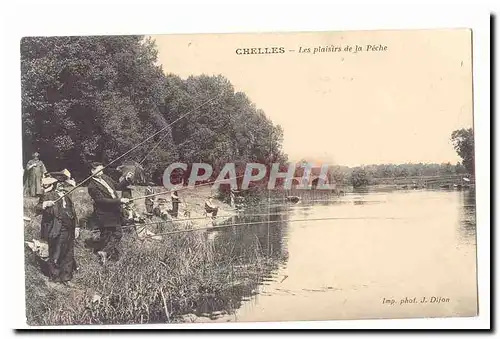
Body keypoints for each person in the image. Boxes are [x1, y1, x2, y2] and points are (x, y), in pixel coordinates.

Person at [35, 170, 78, 285]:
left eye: (64, 184)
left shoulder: (67, 197)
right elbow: (37, 208)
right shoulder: (49, 195)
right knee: (56, 252)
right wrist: (45, 204)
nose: (63, 186)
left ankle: (66, 278)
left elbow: (73, 212)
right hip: (56, 228)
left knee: (69, 253)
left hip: (69, 228)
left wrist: (77, 227)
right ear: (56, 184)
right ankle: (55, 277)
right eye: (61, 184)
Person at [87, 162, 132, 264]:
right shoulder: (92, 186)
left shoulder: (105, 177)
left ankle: (103, 255)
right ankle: (104, 253)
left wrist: (126, 179)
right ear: (92, 171)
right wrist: (119, 200)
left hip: (114, 211)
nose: (102, 172)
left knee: (107, 235)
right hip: (105, 213)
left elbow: (117, 186)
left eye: (102, 169)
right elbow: (101, 201)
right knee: (116, 233)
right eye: (99, 170)